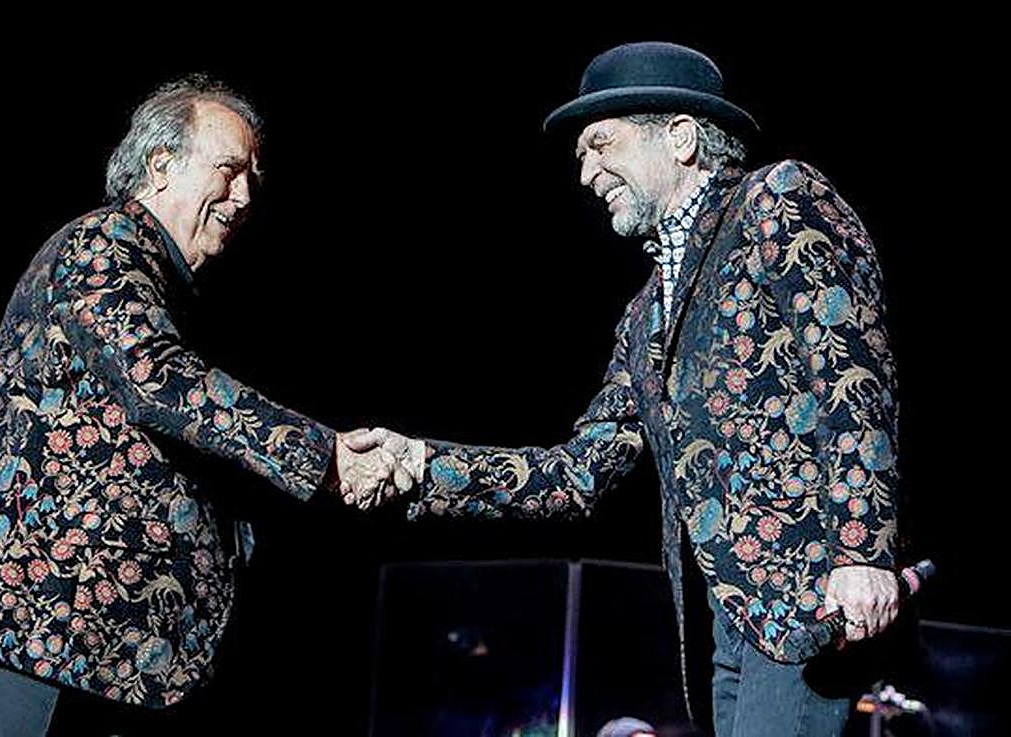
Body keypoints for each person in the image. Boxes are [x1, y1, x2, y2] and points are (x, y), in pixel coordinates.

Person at [348, 42, 902, 737]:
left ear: (681, 137)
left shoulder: (777, 199)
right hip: (722, 624)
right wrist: (423, 462)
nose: (585, 173)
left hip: (809, 600)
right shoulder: (644, 318)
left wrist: (861, 552)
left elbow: (851, 371)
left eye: (600, 145)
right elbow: (580, 473)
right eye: (581, 155)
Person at [0, 75, 418, 736]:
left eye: (253, 177)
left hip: (90, 646)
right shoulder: (102, 244)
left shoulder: (166, 289)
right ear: (162, 163)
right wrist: (325, 456)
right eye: (228, 169)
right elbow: (158, 381)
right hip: (23, 626)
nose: (245, 195)